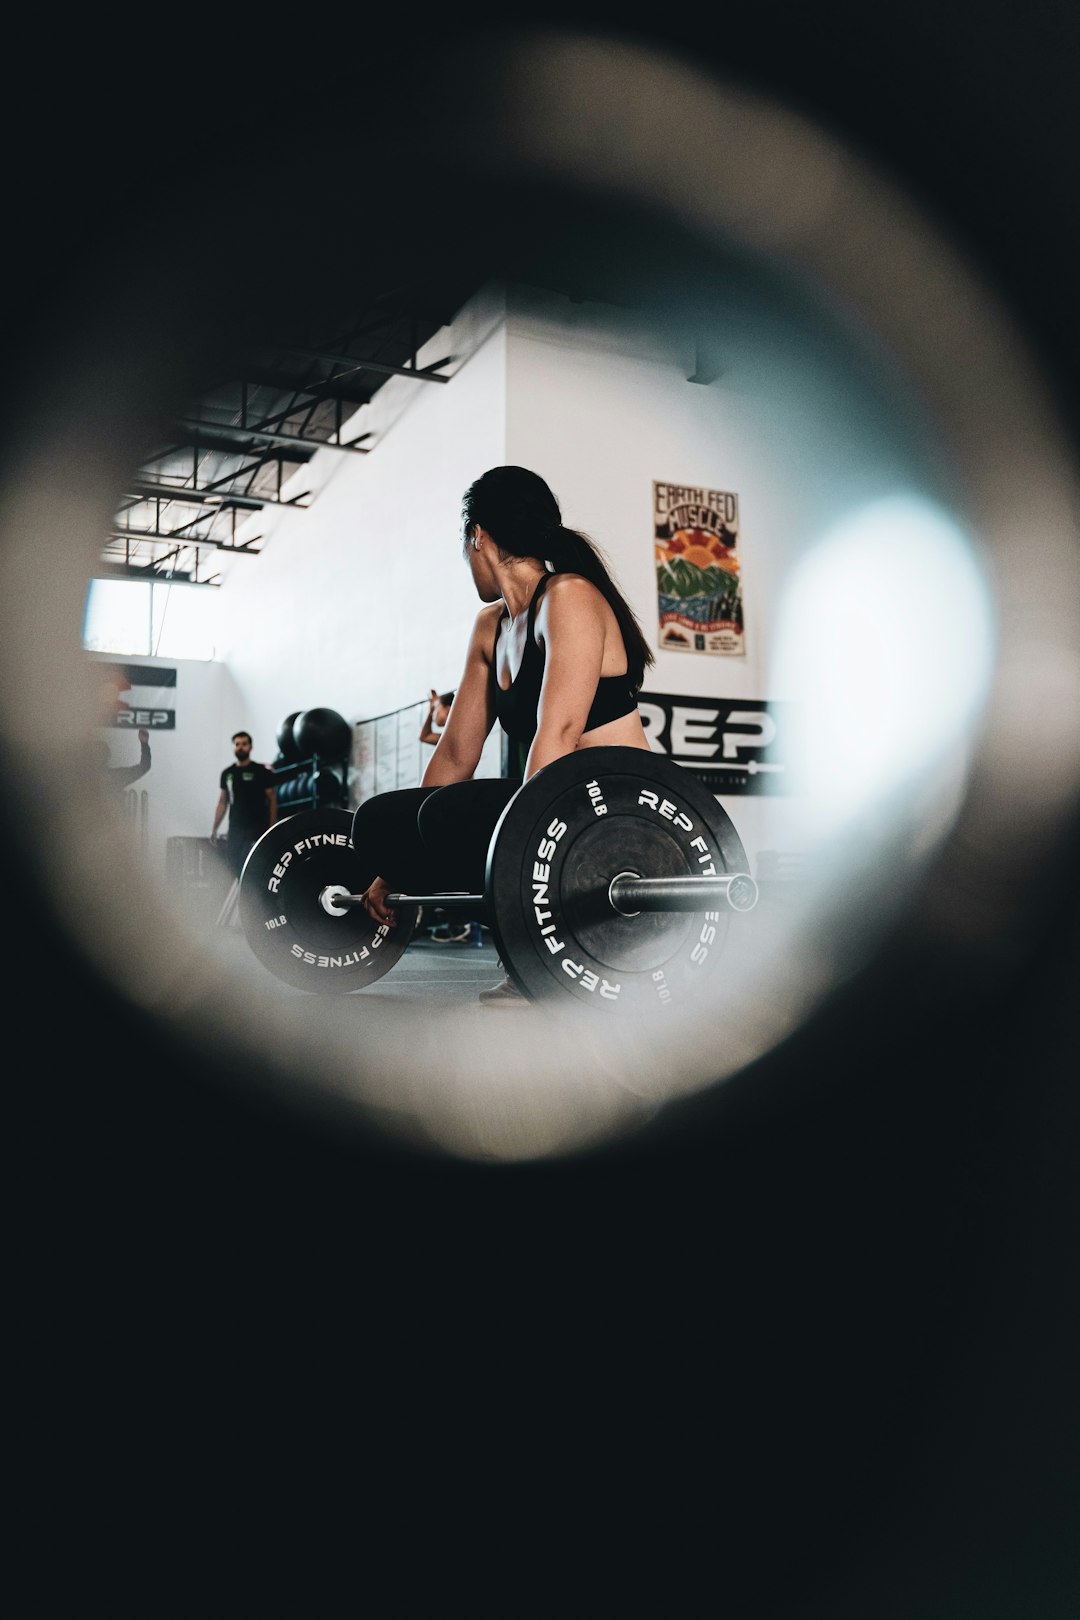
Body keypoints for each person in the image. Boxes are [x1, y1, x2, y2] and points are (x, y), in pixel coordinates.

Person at [351, 465, 654, 1005]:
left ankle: (538, 950)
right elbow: (456, 754)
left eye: (467, 546)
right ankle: (529, 946)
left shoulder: (570, 596)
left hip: (620, 813)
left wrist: (523, 842)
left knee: (452, 814)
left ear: (478, 536)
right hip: (557, 802)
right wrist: (395, 866)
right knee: (380, 819)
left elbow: (558, 734)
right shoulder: (490, 627)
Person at [212, 731, 278, 880]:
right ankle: (239, 900)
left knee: (252, 867)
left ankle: (253, 899)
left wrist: (271, 828)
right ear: (234, 748)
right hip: (235, 828)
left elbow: (273, 800)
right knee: (233, 866)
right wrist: (214, 828)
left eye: (244, 744)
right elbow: (223, 801)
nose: (240, 747)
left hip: (256, 828)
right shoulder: (228, 773)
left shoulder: (262, 772)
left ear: (250, 747)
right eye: (237, 744)